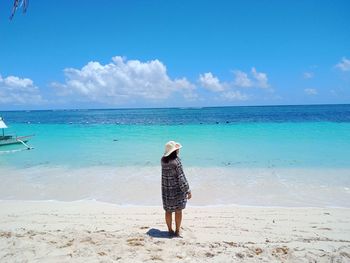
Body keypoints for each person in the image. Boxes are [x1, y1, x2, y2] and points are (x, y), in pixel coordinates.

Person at [161, 141, 192, 237]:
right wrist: (188, 190)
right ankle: (177, 230)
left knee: (168, 211)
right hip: (177, 191)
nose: (178, 150)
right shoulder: (176, 162)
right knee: (178, 211)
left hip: (166, 190)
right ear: (174, 151)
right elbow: (181, 177)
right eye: (177, 149)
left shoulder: (163, 160)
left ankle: (170, 230)